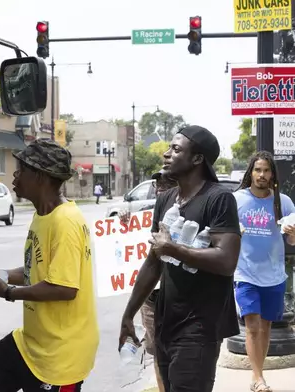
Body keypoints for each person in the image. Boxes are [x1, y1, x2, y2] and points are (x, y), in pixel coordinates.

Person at [0, 139, 98, 392]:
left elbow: (64, 288)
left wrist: (7, 293)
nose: (15, 175)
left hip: (60, 356)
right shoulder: (42, 216)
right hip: (32, 344)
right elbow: (33, 273)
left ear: (41, 177)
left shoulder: (65, 222)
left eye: (22, 169)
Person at [119, 125, 242, 392]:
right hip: (167, 320)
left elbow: (227, 259)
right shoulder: (166, 200)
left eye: (175, 149)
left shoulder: (219, 198)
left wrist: (173, 248)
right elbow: (153, 263)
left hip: (200, 324)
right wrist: (128, 315)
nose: (166, 154)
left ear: (197, 159)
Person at [233, 151, 295, 392]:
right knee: (252, 324)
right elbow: (223, 233)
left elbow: (292, 243)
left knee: (266, 326)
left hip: (274, 274)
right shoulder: (236, 200)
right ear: (251, 172)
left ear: (272, 174)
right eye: (258, 170)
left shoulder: (284, 202)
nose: (262, 175)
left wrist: (292, 233)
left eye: (266, 170)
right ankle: (258, 378)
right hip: (245, 272)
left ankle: (258, 374)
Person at [118, 171, 176, 392]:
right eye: (158, 185)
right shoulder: (145, 214)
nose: (160, 189)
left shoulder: (186, 213)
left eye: (167, 183)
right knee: (157, 350)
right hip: (150, 296)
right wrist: (124, 216)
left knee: (178, 349)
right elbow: (123, 229)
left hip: (177, 294)